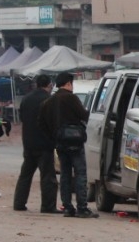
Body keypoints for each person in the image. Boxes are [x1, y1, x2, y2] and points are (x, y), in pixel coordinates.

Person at [40, 71, 98, 218]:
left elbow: (42, 123)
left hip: (60, 143)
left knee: (65, 175)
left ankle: (67, 207)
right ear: (68, 84)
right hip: (76, 142)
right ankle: (82, 207)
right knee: (80, 174)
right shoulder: (71, 98)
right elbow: (84, 115)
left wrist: (54, 137)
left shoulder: (50, 101)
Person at [12, 74, 59, 213]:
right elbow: (52, 122)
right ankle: (48, 206)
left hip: (28, 142)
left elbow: (22, 118)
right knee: (48, 177)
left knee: (25, 175)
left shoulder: (26, 99)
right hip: (44, 144)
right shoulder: (48, 100)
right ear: (49, 85)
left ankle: (19, 203)